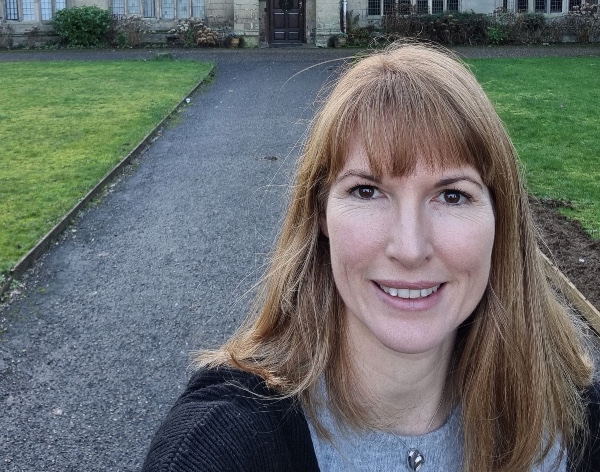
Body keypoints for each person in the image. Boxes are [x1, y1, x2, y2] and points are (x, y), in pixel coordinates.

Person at [142, 43, 600, 472]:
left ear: (502, 218)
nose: (409, 247)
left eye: (452, 196)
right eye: (367, 191)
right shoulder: (222, 442)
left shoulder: (573, 423)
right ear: (319, 212)